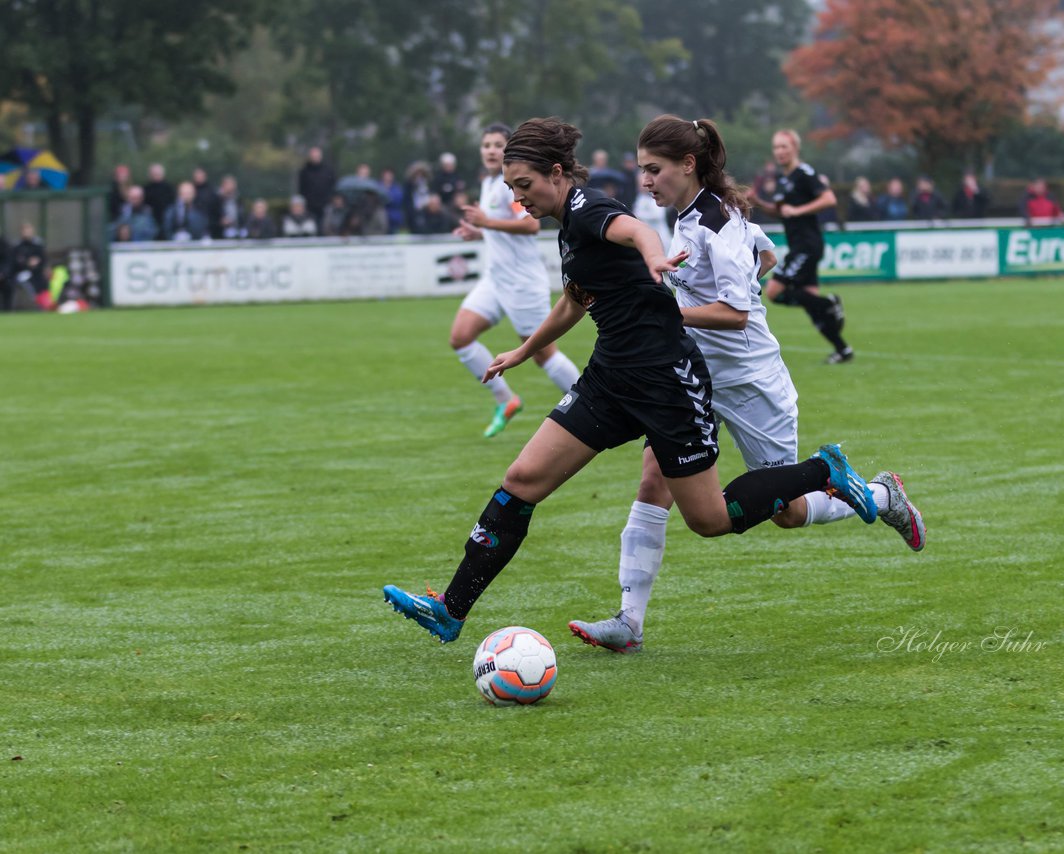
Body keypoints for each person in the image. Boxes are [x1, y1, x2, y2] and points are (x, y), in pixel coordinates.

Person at [381, 117, 875, 644]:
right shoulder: (567, 224)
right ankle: (451, 609)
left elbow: (634, 228)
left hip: (667, 382)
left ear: (555, 174)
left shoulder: (587, 209)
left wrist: (654, 256)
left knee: (709, 519)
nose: (518, 199)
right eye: (510, 190)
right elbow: (576, 297)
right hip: (611, 375)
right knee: (522, 481)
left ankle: (820, 469)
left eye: (524, 187)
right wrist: (524, 351)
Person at [567, 115, 926, 653]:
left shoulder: (717, 223)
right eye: (641, 170)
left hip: (753, 381)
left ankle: (882, 495)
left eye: (654, 170)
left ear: (688, 165)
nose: (645, 181)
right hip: (693, 377)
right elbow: (769, 255)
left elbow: (735, 314)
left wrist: (670, 314)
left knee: (790, 510)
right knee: (653, 481)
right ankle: (628, 622)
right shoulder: (690, 215)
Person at [448, 122, 581, 438]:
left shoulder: (512, 185)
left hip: (522, 283)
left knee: (543, 355)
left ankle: (587, 403)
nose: (491, 150)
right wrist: (480, 231)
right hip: (495, 280)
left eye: (497, 144)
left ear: (508, 150)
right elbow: (499, 228)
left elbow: (530, 226)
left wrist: (486, 221)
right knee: (461, 337)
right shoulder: (490, 182)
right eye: (486, 145)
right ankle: (506, 400)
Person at [748, 129, 853, 364]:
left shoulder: (804, 173)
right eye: (776, 147)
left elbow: (829, 199)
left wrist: (798, 210)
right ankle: (842, 349)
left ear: (795, 148)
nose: (780, 152)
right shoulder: (783, 180)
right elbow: (780, 212)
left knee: (774, 292)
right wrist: (759, 203)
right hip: (799, 244)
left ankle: (829, 303)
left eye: (784, 146)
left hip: (807, 245)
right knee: (810, 304)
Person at [298, 147, 337, 225]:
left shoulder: (328, 170)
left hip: (326, 204)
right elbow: (301, 188)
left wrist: (330, 199)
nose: (315, 158)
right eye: (313, 156)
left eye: (317, 156)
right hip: (310, 205)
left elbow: (333, 185)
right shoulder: (304, 171)